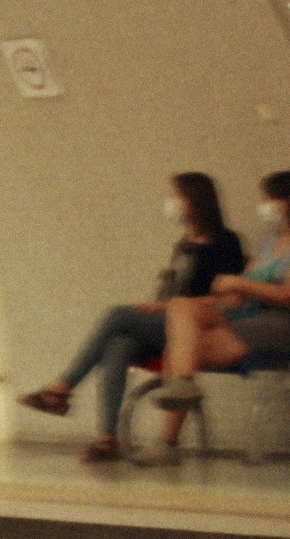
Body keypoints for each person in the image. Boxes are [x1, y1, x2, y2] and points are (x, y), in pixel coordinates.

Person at [16, 172, 244, 463]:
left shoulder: (226, 242)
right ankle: (107, 439)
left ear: (193, 201)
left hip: (191, 326)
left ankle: (61, 388)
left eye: (175, 197)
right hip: (164, 320)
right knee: (118, 345)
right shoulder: (184, 243)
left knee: (116, 315)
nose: (170, 202)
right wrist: (157, 305)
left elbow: (230, 300)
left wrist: (166, 307)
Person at [136, 170, 290, 457]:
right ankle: (180, 392)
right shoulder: (270, 242)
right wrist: (232, 292)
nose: (264, 206)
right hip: (256, 316)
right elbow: (248, 281)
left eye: (269, 199)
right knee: (182, 310)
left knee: (179, 352)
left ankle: (168, 438)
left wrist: (241, 283)